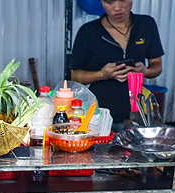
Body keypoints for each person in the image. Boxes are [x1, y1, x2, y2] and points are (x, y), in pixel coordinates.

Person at [70, 0, 164, 128]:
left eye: (123, 0)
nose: (117, 8)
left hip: (137, 112)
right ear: (102, 3)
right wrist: (103, 74)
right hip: (101, 113)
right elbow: (75, 76)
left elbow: (157, 65)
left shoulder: (146, 24)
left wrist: (145, 71)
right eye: (110, 2)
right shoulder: (88, 32)